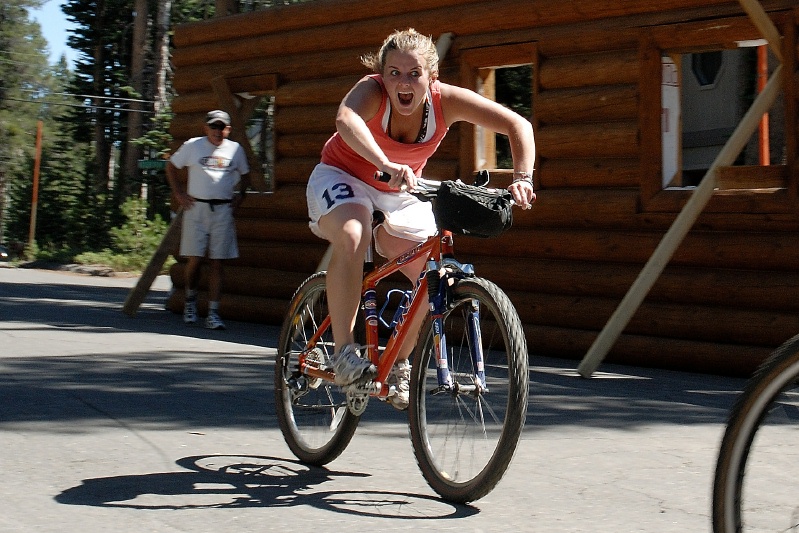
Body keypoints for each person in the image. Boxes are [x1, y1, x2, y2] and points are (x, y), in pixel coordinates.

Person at [306, 29, 536, 410]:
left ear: (432, 77)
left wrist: (522, 178)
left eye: (414, 73)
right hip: (342, 176)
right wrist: (384, 162)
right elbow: (345, 120)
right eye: (393, 72)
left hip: (400, 189)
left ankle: (397, 363)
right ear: (382, 74)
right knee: (353, 233)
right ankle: (345, 353)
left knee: (436, 274)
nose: (402, 82)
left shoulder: (446, 103)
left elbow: (519, 126)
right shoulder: (372, 90)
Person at [166, 109, 251, 330]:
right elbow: (171, 166)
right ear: (206, 128)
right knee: (195, 259)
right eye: (213, 126)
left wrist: (240, 195)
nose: (217, 131)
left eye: (222, 127)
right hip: (197, 207)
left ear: (228, 129)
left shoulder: (235, 150)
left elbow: (245, 174)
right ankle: (190, 302)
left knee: (217, 262)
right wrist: (179, 194)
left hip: (222, 210)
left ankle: (213, 312)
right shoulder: (193, 145)